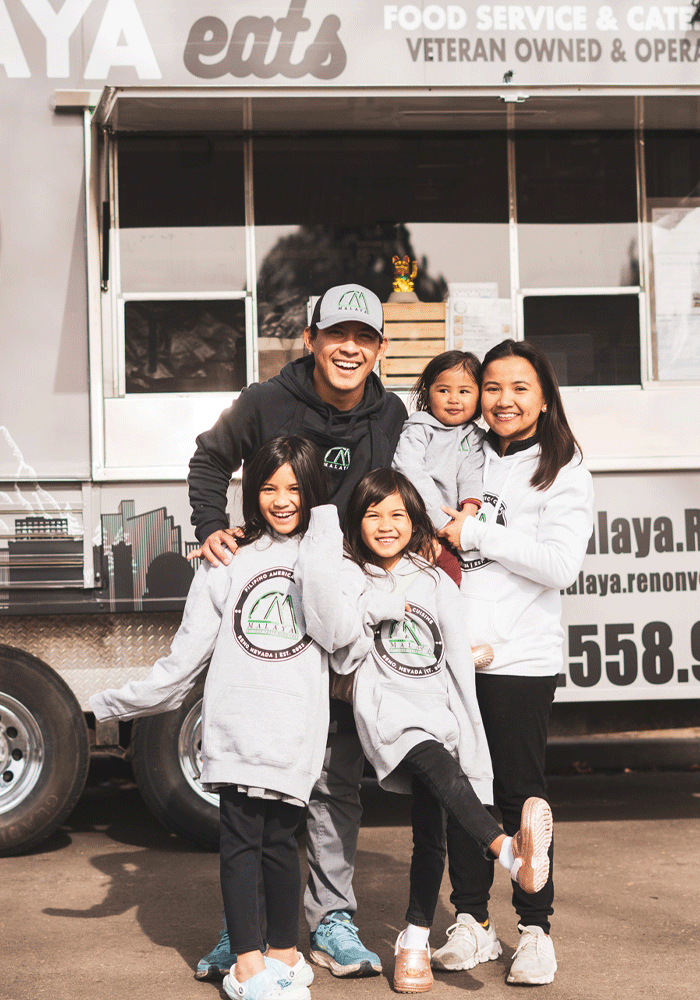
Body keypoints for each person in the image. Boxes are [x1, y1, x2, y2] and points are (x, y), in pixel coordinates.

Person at [187, 284, 407, 979]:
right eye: (336, 335)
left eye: (364, 338)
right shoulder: (264, 401)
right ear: (310, 339)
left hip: (342, 610)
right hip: (270, 612)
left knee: (335, 772)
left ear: (378, 348)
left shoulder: (393, 412)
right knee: (256, 780)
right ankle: (242, 925)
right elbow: (208, 461)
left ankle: (332, 919)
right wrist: (210, 529)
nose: (350, 348)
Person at [90, 437, 338, 1000]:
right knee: (241, 842)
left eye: (295, 488)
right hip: (236, 728)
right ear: (251, 492)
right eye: (269, 487)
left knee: (282, 844)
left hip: (295, 733)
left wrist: (325, 537)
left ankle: (283, 952)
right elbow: (185, 657)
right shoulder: (229, 558)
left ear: (314, 494)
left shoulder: (325, 557)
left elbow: (342, 636)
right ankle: (247, 965)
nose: (281, 499)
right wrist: (113, 703)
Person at [299, 467, 554, 994]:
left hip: (435, 709)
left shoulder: (436, 580)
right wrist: (336, 546)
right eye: (373, 514)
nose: (386, 525)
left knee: (430, 830)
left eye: (397, 514)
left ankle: (413, 940)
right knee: (431, 761)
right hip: (385, 712)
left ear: (416, 520)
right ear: (355, 523)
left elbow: (454, 656)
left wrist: (468, 715)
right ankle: (506, 849)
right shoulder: (348, 573)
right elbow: (338, 635)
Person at [433, 339, 594, 986]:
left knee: (520, 798)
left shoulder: (563, 468)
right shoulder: (462, 454)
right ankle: (472, 925)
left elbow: (560, 565)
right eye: (492, 387)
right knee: (460, 794)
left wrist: (475, 535)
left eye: (519, 388)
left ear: (544, 397)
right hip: (453, 655)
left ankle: (535, 930)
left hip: (520, 660)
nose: (502, 399)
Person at [391, 350, 484, 532]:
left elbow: (471, 474)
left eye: (464, 391)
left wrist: (468, 514)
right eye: (443, 390)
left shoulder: (475, 435)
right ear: (427, 395)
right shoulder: (419, 429)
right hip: (418, 521)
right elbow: (409, 470)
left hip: (457, 523)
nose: (454, 399)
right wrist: (441, 521)